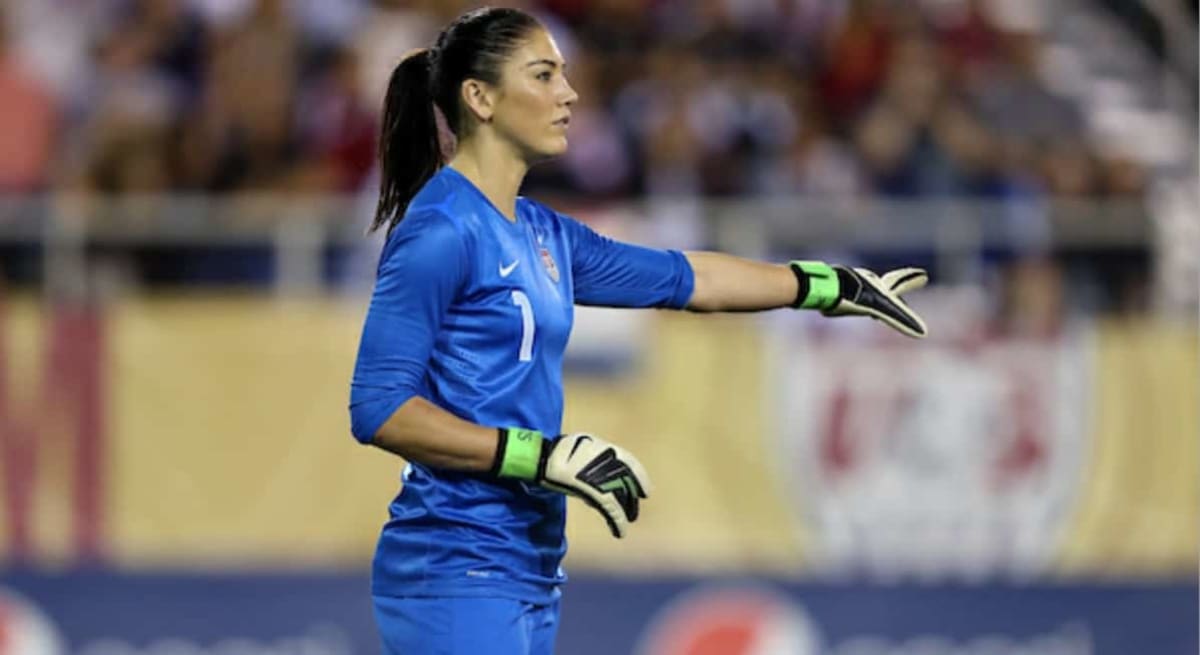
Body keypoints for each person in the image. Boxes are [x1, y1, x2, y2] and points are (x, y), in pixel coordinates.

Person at [348, 7, 928, 655]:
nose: (569, 93)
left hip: (524, 562)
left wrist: (826, 285)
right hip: (454, 563)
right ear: (479, 98)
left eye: (564, 74)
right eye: (543, 75)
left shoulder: (541, 231)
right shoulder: (440, 231)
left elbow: (687, 279)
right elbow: (379, 407)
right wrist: (538, 457)